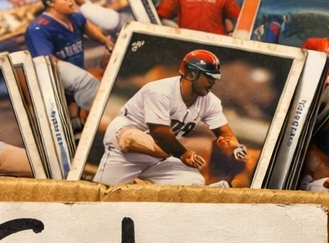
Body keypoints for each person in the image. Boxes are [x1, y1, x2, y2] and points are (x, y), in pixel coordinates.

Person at [92, 48, 247, 187]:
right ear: (192, 74)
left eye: (214, 77)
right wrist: (184, 154)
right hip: (126, 144)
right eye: (209, 77)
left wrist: (234, 147)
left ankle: (212, 191)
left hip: (166, 152)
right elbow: (159, 133)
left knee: (193, 182)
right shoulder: (160, 91)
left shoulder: (210, 101)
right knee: (105, 193)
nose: (213, 81)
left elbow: (225, 133)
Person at [25, 0, 115, 118]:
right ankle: (98, 120)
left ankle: (84, 120)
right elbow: (45, 61)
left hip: (74, 73)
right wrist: (82, 77)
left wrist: (107, 43)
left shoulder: (76, 18)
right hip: (50, 77)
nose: (71, 1)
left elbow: (93, 32)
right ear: (50, 3)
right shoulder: (38, 28)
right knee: (87, 86)